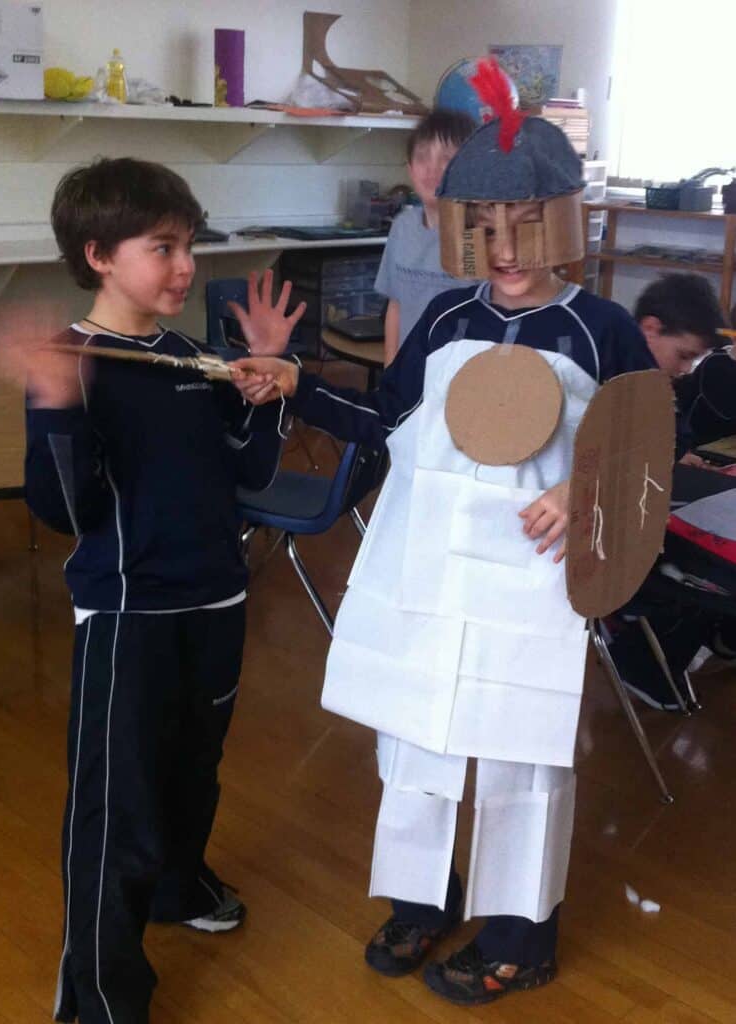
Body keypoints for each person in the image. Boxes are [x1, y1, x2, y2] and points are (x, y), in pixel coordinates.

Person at [229, 59, 657, 1008]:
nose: (503, 247)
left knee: (520, 752)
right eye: (482, 227)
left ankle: (520, 931)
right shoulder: (444, 317)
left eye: (522, 225)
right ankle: (422, 897)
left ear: (561, 220)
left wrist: (585, 491)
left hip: (533, 584)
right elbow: (392, 428)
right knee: (415, 743)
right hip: (431, 567)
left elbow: (643, 467)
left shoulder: (600, 332)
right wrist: (304, 385)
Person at [0, 157, 303, 1024]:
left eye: (189, 245)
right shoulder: (75, 361)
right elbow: (65, 510)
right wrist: (56, 404)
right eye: (162, 247)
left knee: (192, 770)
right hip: (129, 616)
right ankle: (99, 994)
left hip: (217, 601)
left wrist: (265, 379)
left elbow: (248, 474)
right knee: (116, 802)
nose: (185, 267)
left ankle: (178, 884)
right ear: (98, 254)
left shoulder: (188, 358)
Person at [599, 273, 728, 710]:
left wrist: (679, 453)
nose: (687, 368)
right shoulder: (606, 377)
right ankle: (637, 647)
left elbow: (669, 435)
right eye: (684, 355)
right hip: (609, 530)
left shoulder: (655, 378)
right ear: (650, 329)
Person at [375, 108, 476, 365]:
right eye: (422, 157)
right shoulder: (402, 227)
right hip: (410, 372)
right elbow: (395, 306)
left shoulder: (480, 233)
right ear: (410, 169)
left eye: (446, 157)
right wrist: (391, 370)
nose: (433, 168)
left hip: (464, 376)